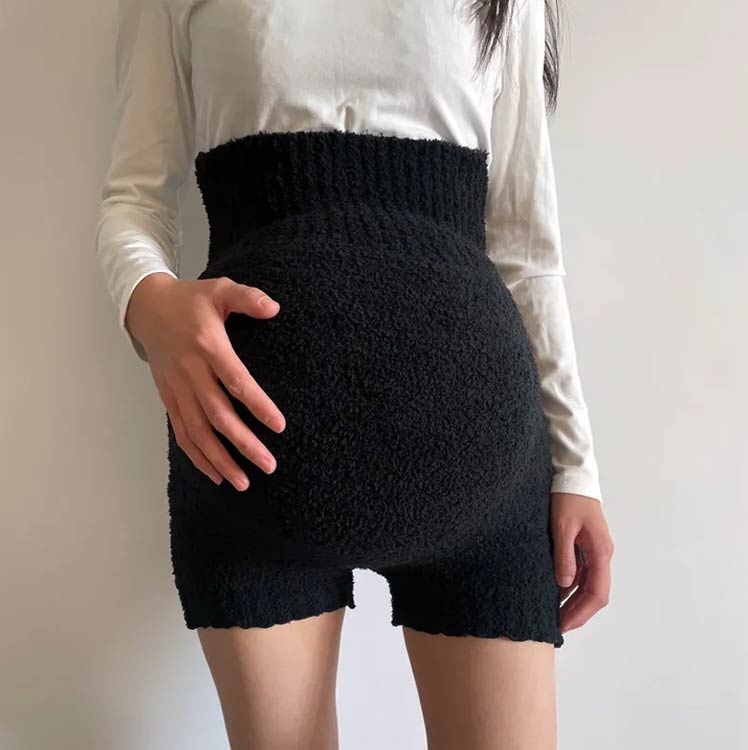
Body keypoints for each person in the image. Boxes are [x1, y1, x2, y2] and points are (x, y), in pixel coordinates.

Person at [95, 0, 615, 746]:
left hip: (485, 465)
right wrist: (150, 304)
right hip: (243, 458)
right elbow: (134, 199)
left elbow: (526, 250)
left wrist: (578, 471)